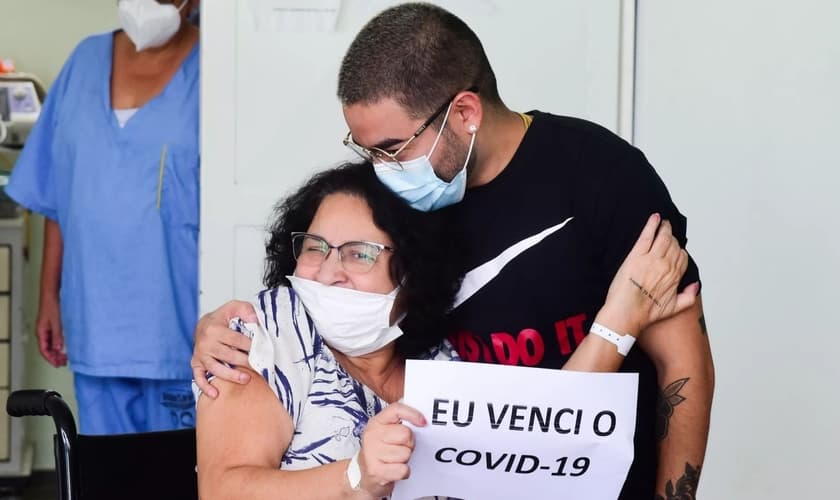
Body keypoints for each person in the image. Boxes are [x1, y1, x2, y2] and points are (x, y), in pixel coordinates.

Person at [193, 3, 715, 498]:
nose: (380, 168)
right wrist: (217, 327)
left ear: (464, 112)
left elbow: (681, 363)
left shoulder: (600, 177)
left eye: (392, 149)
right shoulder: (405, 203)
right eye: (365, 150)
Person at [195, 162, 695, 500]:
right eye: (314, 247)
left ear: (412, 274)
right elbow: (221, 488)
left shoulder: (446, 351)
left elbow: (540, 445)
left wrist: (617, 324)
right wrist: (356, 478)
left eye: (359, 253)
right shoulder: (261, 335)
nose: (328, 271)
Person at [6, 0, 201, 434]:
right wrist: (49, 297)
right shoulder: (85, 61)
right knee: (104, 475)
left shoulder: (215, 67)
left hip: (180, 321)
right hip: (95, 315)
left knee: (179, 478)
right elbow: (57, 191)